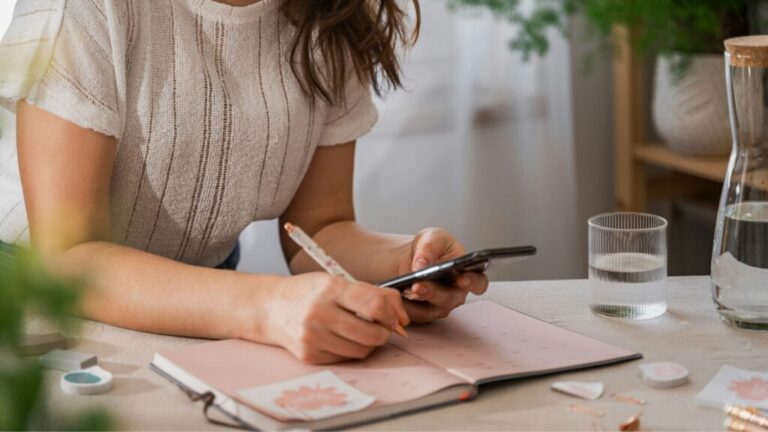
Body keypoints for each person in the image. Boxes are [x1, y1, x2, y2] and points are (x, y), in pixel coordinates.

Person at [0, 0, 488, 364]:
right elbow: (69, 258)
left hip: (200, 309)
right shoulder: (83, 7)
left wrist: (405, 263)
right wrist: (266, 306)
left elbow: (320, 227)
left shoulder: (331, 17)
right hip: (34, 307)